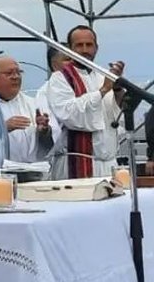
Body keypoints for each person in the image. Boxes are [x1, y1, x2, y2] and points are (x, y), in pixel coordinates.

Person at [45, 25, 125, 178]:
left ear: (96, 48)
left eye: (89, 45)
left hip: (108, 164)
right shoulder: (60, 78)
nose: (84, 50)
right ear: (70, 48)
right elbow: (69, 114)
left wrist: (117, 90)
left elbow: (115, 118)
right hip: (76, 163)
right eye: (79, 45)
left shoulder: (102, 76)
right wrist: (102, 91)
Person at [0, 55, 57, 165]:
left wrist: (44, 131)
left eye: (19, 72)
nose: (16, 77)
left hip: (31, 171)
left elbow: (50, 145)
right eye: (9, 73)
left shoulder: (33, 103)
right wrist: (2, 128)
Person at [35, 47, 70, 178]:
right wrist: (46, 129)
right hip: (65, 161)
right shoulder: (45, 92)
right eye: (67, 60)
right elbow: (52, 132)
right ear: (54, 65)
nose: (73, 63)